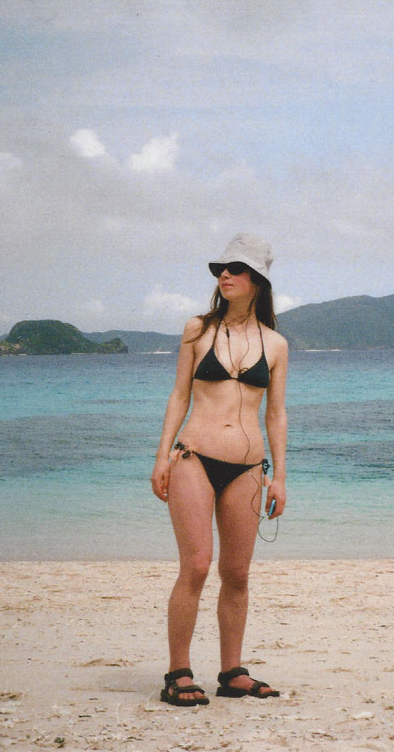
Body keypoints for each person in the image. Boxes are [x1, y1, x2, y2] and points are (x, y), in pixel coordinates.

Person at [150, 232, 289, 707]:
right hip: (194, 458)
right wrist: (161, 456)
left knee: (237, 574)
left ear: (257, 281)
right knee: (195, 565)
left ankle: (232, 672)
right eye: (221, 270)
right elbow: (179, 396)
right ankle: (178, 673)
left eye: (235, 268)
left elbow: (276, 414)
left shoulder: (275, 344)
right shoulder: (197, 330)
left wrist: (281, 476)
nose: (224, 275)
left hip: (249, 468)